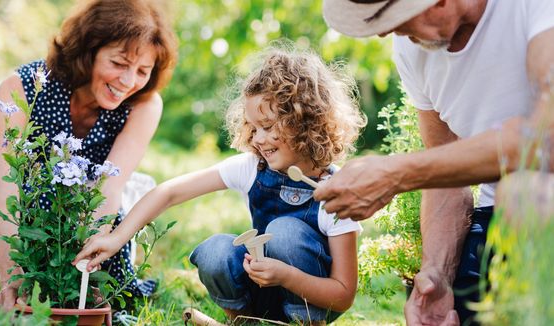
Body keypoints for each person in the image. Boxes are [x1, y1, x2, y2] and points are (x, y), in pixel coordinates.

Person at [73, 47, 365, 325]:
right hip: (261, 286)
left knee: (286, 232)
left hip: (309, 296)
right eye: (253, 127)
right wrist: (115, 239)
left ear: (304, 122)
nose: (258, 139)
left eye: (268, 127)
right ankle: (244, 320)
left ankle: (305, 324)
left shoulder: (335, 192)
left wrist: (286, 276)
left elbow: (342, 295)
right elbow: (169, 192)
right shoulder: (253, 167)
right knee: (215, 251)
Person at [318, 0, 554, 325]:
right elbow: (447, 178)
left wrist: (396, 174)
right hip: (497, 218)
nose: (386, 31)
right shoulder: (410, 49)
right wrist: (436, 274)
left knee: (523, 191)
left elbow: (544, 139)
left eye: (395, 17)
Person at [0, 0, 177, 309]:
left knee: (108, 289)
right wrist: (12, 279)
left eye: (143, 70)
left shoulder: (144, 104)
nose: (128, 82)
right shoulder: (21, 87)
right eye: (118, 63)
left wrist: (89, 256)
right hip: (29, 203)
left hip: (92, 207)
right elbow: (3, 189)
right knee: (33, 277)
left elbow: (109, 187)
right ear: (89, 51)